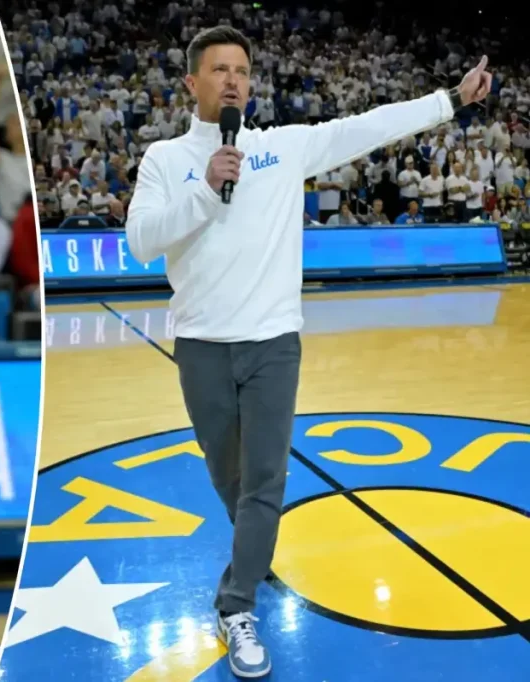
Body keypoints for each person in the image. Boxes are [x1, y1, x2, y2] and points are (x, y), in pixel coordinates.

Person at [125, 26, 490, 679]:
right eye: (219, 69)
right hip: (202, 346)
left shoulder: (282, 147)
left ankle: (236, 605)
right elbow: (141, 242)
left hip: (273, 343)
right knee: (230, 478)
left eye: (242, 70)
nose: (233, 80)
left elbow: (370, 125)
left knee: (265, 478)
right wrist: (204, 189)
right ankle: (254, 545)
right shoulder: (165, 158)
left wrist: (452, 100)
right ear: (191, 82)